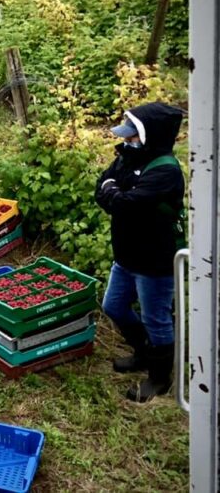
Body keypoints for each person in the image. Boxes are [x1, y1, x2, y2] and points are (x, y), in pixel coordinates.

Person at [95, 102, 185, 403]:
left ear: (151, 136)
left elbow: (125, 205)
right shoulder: (128, 157)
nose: (126, 140)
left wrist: (115, 194)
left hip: (154, 260)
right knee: (113, 306)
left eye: (132, 135)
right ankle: (144, 353)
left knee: (156, 318)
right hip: (127, 255)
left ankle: (160, 379)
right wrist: (114, 192)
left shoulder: (165, 171)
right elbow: (103, 188)